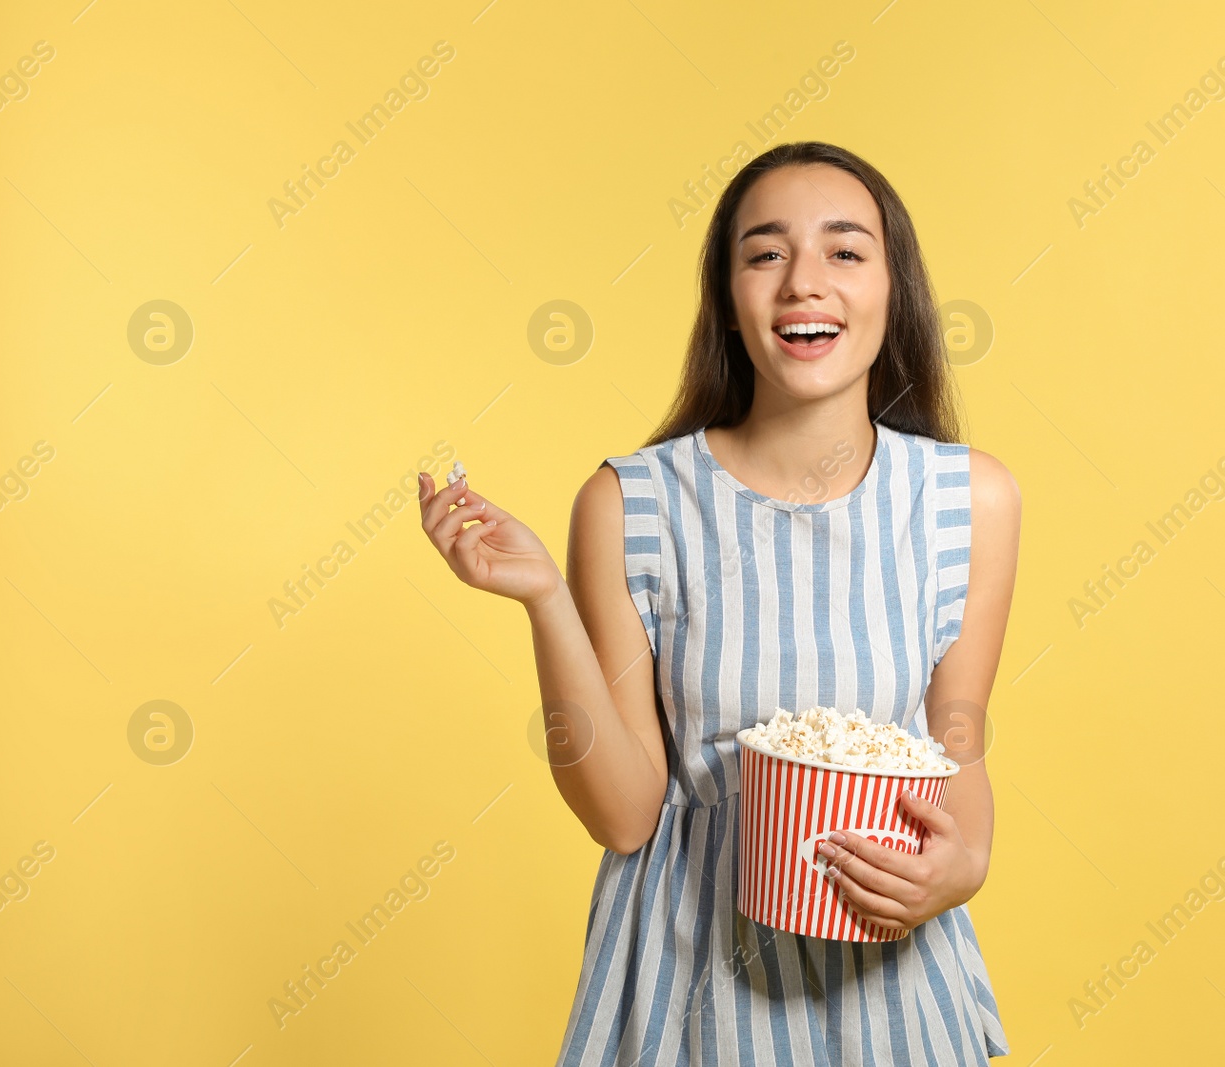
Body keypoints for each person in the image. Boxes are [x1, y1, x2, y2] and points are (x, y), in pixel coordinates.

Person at [418, 140, 1019, 1065]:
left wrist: (962, 866)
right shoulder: (631, 504)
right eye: (766, 253)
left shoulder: (968, 499)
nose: (803, 284)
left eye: (846, 251)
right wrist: (545, 600)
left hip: (895, 988)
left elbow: (958, 743)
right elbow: (624, 813)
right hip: (690, 986)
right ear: (727, 302)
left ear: (892, 292)